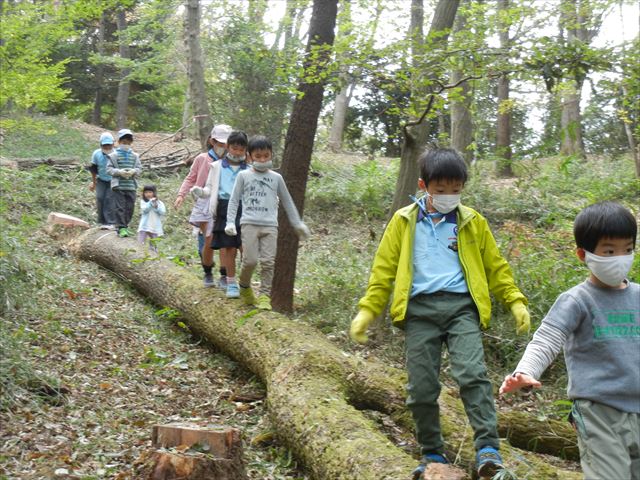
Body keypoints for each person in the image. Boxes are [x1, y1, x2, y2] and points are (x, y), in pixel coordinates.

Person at [349, 148, 530, 479]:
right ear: (424, 185)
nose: (449, 196)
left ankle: (488, 450)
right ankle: (432, 451)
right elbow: (383, 270)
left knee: (472, 375)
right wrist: (368, 310)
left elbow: (496, 266)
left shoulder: (473, 222)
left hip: (462, 310)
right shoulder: (404, 221)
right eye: (441, 189)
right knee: (421, 388)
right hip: (420, 312)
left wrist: (514, 299)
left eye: (456, 189)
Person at [499, 201, 638, 480]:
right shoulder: (577, 300)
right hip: (599, 412)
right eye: (609, 251)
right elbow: (547, 339)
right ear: (583, 254)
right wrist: (526, 371)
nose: (620, 258)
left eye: (628, 249)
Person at [224, 135, 310, 310]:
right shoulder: (244, 175)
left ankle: (264, 295)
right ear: (250, 157)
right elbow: (234, 200)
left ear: (271, 155)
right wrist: (230, 222)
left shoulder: (276, 178)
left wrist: (297, 223)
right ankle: (245, 285)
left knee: (268, 262)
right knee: (249, 261)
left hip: (270, 225)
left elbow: (287, 201)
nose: (262, 159)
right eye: (258, 156)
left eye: (266, 155)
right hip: (249, 223)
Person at [191, 130, 249, 299]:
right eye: (234, 148)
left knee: (245, 248)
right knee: (228, 247)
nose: (237, 152)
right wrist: (201, 192)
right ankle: (231, 283)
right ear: (228, 147)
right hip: (223, 208)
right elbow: (210, 188)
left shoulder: (249, 169)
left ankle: (245, 282)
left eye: (241, 149)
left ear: (245, 150)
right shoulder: (216, 167)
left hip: (244, 209)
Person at [174, 124, 232, 287]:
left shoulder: (230, 160)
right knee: (209, 239)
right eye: (220, 143)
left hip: (224, 203)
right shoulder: (202, 159)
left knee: (224, 241)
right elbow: (191, 178)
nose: (223, 147)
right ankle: (207, 272)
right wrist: (181, 195)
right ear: (212, 141)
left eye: (226, 144)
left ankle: (223, 275)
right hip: (204, 203)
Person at [106, 129, 142, 238]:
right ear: (118, 142)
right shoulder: (113, 156)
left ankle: (125, 226)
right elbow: (108, 169)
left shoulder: (135, 156)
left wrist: (133, 171)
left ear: (131, 143)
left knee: (130, 207)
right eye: (123, 142)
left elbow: (139, 168)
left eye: (127, 143)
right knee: (120, 207)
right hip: (119, 186)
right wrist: (119, 172)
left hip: (131, 186)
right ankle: (121, 227)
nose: (125, 145)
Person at [88, 132, 115, 228]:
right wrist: (94, 183)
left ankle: (110, 222)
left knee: (109, 199)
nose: (107, 147)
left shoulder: (116, 154)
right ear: (101, 145)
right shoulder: (96, 154)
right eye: (105, 145)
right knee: (100, 198)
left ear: (113, 144)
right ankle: (101, 221)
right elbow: (93, 169)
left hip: (113, 180)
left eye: (109, 145)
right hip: (101, 179)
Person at [137, 184, 166, 251]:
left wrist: (156, 207)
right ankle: (139, 252)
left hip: (155, 225)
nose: (148, 194)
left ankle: (154, 254)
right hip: (144, 225)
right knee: (140, 242)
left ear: (154, 193)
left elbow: (162, 212)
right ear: (143, 193)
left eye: (150, 192)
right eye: (146, 192)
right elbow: (144, 210)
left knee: (154, 242)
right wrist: (150, 203)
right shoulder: (143, 202)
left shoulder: (159, 202)